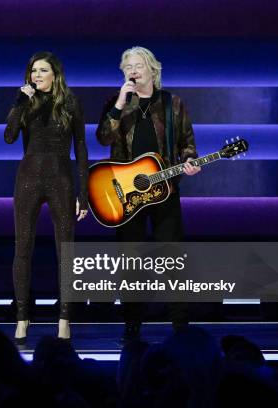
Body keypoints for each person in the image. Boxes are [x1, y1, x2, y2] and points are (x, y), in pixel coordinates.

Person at [96, 46, 200, 343]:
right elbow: (104, 137)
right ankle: (132, 326)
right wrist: (119, 102)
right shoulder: (116, 104)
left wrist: (190, 161)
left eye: (139, 64)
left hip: (165, 189)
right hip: (126, 194)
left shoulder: (172, 103)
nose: (133, 70)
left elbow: (187, 143)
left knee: (172, 259)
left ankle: (181, 327)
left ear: (152, 69)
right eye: (127, 65)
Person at [5, 51, 89, 343]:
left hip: (61, 178)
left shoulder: (70, 103)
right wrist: (20, 101)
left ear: (55, 74)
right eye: (33, 71)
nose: (36, 76)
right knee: (22, 248)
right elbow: (9, 136)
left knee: (66, 251)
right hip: (28, 177)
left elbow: (81, 149)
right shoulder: (26, 102)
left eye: (42, 71)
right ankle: (22, 316)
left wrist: (84, 192)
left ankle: (65, 318)